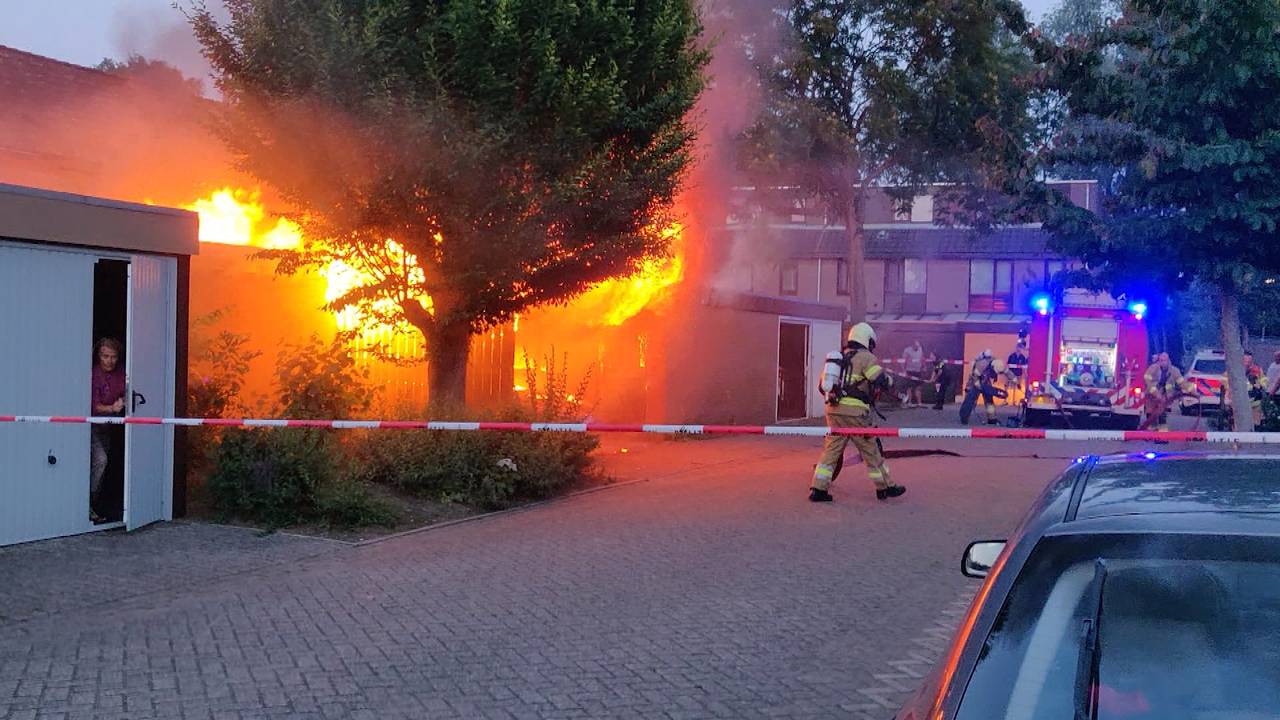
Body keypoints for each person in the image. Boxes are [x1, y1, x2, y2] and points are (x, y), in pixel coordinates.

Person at [809, 322, 906, 503]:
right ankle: (886, 487)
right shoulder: (866, 358)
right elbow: (880, 380)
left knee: (832, 450)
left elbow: (824, 387)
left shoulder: (839, 358)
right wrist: (891, 382)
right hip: (855, 413)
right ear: (866, 339)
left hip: (833, 410)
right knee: (870, 449)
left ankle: (818, 489)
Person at [90, 338, 127, 523]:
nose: (109, 361)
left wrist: (125, 399)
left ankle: (95, 504)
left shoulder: (120, 371)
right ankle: (89, 503)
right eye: (105, 356)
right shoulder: (93, 375)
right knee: (100, 461)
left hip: (107, 427)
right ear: (98, 355)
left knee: (104, 465)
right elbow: (94, 406)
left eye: (113, 357)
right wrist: (113, 408)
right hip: (91, 426)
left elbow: (127, 389)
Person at [959, 350, 1016, 425]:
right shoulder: (982, 364)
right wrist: (978, 385)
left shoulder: (999, 364)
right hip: (975, 380)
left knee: (989, 400)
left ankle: (992, 419)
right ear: (992, 367)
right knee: (970, 399)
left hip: (986, 380)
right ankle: (964, 418)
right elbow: (974, 376)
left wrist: (1014, 379)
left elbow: (1008, 372)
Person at [1140, 352, 1190, 431]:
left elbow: (1182, 383)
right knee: (1150, 417)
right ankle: (1150, 434)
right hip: (1151, 397)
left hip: (1164, 397)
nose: (1162, 362)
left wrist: (1193, 392)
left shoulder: (1174, 371)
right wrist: (1156, 394)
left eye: (1164, 360)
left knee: (1162, 417)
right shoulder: (1153, 368)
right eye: (1160, 360)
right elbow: (1147, 381)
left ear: (1168, 360)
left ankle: (1161, 436)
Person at [903, 340, 925, 407]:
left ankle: (919, 403)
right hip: (909, 371)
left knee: (918, 387)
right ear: (912, 345)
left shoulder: (920, 349)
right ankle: (909, 402)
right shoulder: (907, 350)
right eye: (916, 346)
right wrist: (904, 371)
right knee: (909, 387)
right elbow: (903, 361)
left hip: (918, 371)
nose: (917, 347)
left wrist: (924, 367)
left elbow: (922, 358)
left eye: (918, 346)